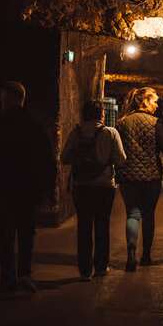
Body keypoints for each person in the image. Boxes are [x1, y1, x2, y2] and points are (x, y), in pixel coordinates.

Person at [0, 81, 55, 293]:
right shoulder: (34, 126)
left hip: (1, 189)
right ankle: (24, 275)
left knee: (5, 235)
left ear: (9, 98)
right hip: (27, 190)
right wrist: (46, 189)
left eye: (3, 98)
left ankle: (8, 277)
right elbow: (46, 160)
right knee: (26, 234)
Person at [116, 87, 163, 271]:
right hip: (151, 177)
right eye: (154, 101)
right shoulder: (155, 123)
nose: (157, 105)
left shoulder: (122, 123)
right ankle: (146, 255)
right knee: (148, 216)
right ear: (145, 102)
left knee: (132, 214)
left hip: (128, 177)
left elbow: (117, 150)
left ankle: (131, 253)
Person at [61, 100, 126, 281]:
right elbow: (121, 159)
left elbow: (64, 157)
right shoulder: (110, 132)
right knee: (102, 225)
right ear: (101, 114)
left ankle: (84, 271)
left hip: (81, 186)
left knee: (84, 227)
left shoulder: (76, 132)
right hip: (104, 186)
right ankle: (100, 267)